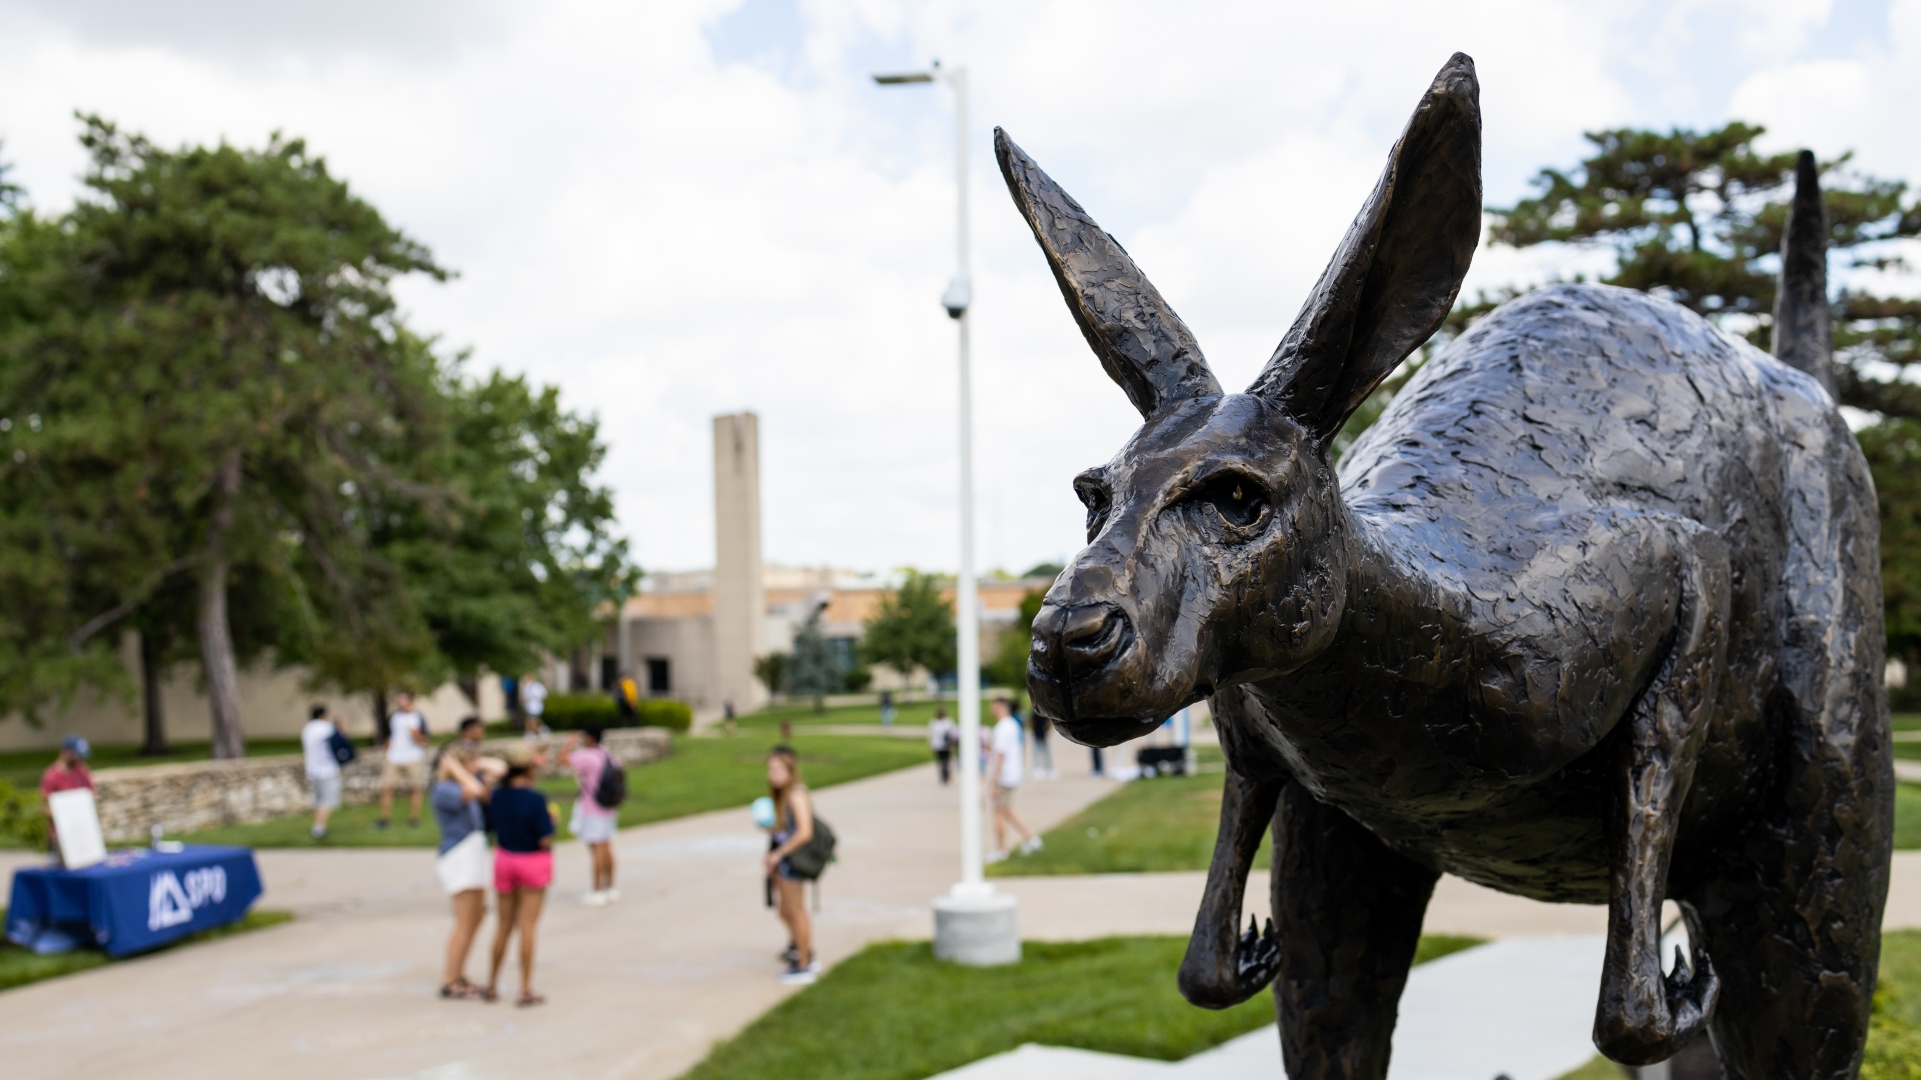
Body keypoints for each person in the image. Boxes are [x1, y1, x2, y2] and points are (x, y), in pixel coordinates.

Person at [487, 745, 554, 1007]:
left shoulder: (497, 795)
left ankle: (492, 984)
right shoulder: (535, 798)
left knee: (503, 925)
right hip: (532, 861)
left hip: (505, 859)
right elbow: (545, 837)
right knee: (527, 926)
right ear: (528, 767)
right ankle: (525, 988)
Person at [432, 745, 494, 999]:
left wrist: (475, 766)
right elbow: (475, 791)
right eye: (468, 762)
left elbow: (496, 771)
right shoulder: (444, 789)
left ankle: (459, 973)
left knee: (476, 916)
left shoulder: (464, 781)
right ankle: (450, 978)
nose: (474, 766)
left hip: (474, 849)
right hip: (459, 853)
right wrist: (456, 769)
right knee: (465, 920)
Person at [763, 745, 818, 985]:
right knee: (785, 912)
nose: (772, 775)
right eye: (770, 770)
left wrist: (779, 853)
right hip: (784, 862)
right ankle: (802, 950)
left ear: (789, 770)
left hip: (792, 863)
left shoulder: (796, 794)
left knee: (795, 912)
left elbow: (805, 832)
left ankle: (804, 964)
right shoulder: (785, 795)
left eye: (777, 770)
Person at [562, 725, 619, 906]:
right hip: (608, 807)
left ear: (589, 739)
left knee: (597, 849)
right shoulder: (609, 755)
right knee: (607, 846)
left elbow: (563, 760)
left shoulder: (588, 756)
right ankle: (610, 888)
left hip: (592, 807)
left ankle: (597, 890)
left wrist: (569, 743)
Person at [986, 699, 1040, 861]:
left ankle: (1001, 850)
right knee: (1006, 810)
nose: (991, 709)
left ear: (1001, 707)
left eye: (993, 706)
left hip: (1005, 776)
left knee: (999, 812)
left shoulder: (1003, 727)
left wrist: (995, 781)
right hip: (1013, 773)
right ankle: (1031, 839)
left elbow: (1001, 755)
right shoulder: (1013, 725)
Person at [377, 691, 431, 829]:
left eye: (403, 700)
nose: (400, 703)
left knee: (415, 788)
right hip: (394, 757)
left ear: (410, 701)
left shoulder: (418, 717)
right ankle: (384, 819)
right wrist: (386, 753)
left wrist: (416, 736)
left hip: (413, 757)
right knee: (387, 787)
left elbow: (425, 741)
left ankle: (414, 819)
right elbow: (388, 737)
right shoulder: (394, 717)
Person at [40, 735, 94, 862]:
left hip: (82, 833)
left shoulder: (82, 772)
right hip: (60, 836)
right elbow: (45, 807)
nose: (80, 760)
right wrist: (67, 814)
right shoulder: (51, 777)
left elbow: (90, 796)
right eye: (77, 755)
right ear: (66, 752)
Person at [300, 705, 342, 841]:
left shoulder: (307, 729)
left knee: (318, 800)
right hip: (326, 769)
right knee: (327, 800)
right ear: (323, 715)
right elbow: (340, 741)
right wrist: (341, 725)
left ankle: (318, 825)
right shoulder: (326, 728)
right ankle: (319, 828)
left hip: (312, 769)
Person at [928, 708, 956, 784]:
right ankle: (944, 775)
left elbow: (953, 734)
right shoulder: (938, 722)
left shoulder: (947, 722)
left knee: (944, 761)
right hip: (941, 745)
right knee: (943, 761)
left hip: (944, 745)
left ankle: (945, 774)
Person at [1028, 708, 1055, 780]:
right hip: (1037, 734)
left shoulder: (1045, 714)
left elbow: (1048, 723)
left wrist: (1046, 730)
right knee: (1037, 752)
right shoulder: (1034, 713)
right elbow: (1031, 722)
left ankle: (1048, 768)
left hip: (1043, 734)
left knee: (1046, 752)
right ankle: (1038, 768)